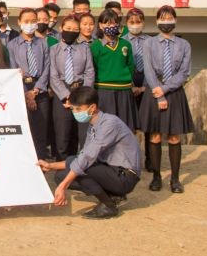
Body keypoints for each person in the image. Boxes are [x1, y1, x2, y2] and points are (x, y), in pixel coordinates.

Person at [37, 86, 141, 220]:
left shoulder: (109, 123)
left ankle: (108, 205)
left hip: (125, 176)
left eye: (78, 109)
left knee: (83, 167)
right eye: (73, 109)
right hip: (110, 170)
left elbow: (87, 158)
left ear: (92, 108)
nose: (75, 113)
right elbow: (82, 156)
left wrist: (63, 187)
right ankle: (113, 195)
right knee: (61, 176)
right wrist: (51, 166)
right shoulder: (93, 125)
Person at [140, 5, 194, 194]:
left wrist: (164, 89)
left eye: (170, 18)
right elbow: (148, 69)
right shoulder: (149, 43)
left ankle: (175, 179)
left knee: (173, 136)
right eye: (162, 18)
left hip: (174, 92)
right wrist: (159, 92)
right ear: (156, 22)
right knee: (155, 135)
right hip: (154, 90)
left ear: (175, 20)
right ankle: (156, 176)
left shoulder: (184, 45)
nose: (166, 22)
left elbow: (184, 72)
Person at [49, 15, 95, 161]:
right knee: (63, 134)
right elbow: (53, 76)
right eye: (68, 28)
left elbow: (89, 72)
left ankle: (77, 166)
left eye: (75, 29)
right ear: (61, 28)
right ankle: (62, 167)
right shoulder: (53, 50)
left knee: (79, 133)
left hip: (80, 92)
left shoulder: (84, 48)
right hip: (62, 94)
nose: (71, 31)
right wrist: (67, 96)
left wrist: (83, 96)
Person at [7, 7, 51, 160]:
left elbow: (47, 67)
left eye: (33, 21)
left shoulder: (43, 43)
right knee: (26, 125)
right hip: (22, 89)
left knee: (41, 126)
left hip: (40, 88)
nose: (30, 24)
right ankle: (26, 158)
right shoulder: (12, 45)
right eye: (26, 21)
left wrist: (36, 90)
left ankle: (41, 158)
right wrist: (26, 93)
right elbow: (13, 69)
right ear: (19, 22)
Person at [91, 9, 137, 134]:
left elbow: (130, 65)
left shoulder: (125, 44)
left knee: (125, 128)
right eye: (107, 24)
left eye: (113, 24)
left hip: (124, 90)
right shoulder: (95, 46)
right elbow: (92, 68)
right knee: (105, 129)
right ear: (100, 25)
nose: (110, 27)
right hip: (103, 90)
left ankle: (124, 154)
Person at [124, 7, 152, 171]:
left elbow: (154, 66)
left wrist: (144, 87)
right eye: (131, 22)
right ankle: (131, 158)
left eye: (138, 22)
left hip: (147, 80)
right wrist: (132, 85)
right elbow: (122, 66)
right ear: (126, 23)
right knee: (130, 124)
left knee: (148, 123)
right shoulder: (122, 42)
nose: (135, 25)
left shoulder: (150, 41)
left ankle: (150, 158)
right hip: (128, 81)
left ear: (143, 23)